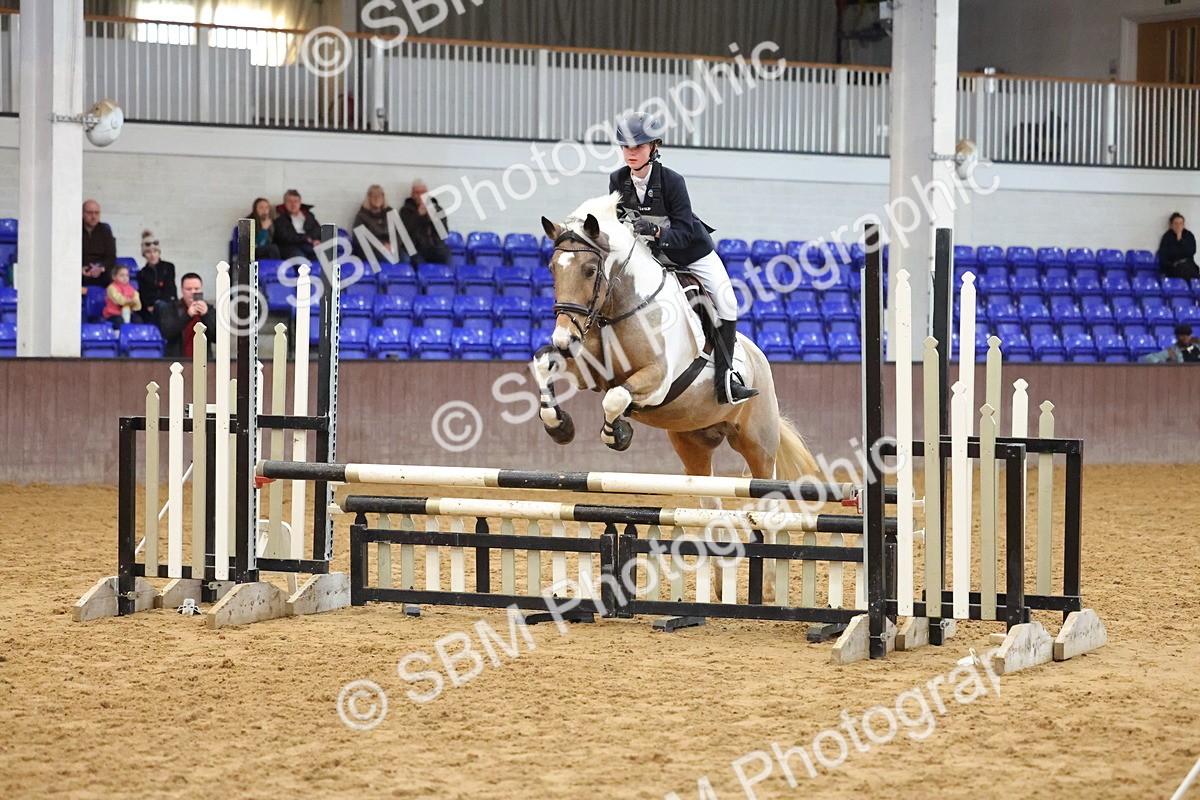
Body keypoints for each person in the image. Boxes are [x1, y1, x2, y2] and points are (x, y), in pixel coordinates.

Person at [608, 111, 757, 405]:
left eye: (637, 147)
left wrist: (654, 230)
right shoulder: (618, 180)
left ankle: (726, 378)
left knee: (728, 302)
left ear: (654, 147)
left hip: (692, 252)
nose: (631, 153)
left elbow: (685, 233)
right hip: (652, 257)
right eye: (626, 147)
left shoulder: (673, 182)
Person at [159, 272, 215, 358]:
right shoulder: (170, 308)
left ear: (201, 290)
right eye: (188, 289)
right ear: (182, 290)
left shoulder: (209, 309)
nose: (193, 292)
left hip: (203, 361)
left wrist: (205, 315)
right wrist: (188, 315)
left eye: (196, 289)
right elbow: (167, 333)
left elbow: (217, 338)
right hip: (177, 360)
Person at [399, 179, 452, 265]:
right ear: (412, 195)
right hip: (416, 247)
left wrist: (432, 218)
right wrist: (418, 215)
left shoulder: (437, 209)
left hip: (434, 246)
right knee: (419, 262)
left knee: (446, 254)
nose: (420, 195)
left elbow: (444, 232)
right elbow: (405, 231)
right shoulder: (405, 211)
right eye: (417, 193)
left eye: (423, 192)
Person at [136, 230, 177, 322]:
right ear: (144, 255)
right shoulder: (142, 273)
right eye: (148, 252)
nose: (152, 255)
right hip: (151, 308)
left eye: (155, 251)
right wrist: (150, 305)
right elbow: (143, 294)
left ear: (159, 252)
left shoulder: (168, 267)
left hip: (167, 304)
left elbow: (170, 288)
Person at [273, 190, 322, 261]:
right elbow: (284, 237)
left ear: (300, 203)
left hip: (308, 245)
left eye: (296, 201)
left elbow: (318, 230)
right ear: (285, 203)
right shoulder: (280, 219)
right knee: (299, 258)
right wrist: (306, 238)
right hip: (290, 247)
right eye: (289, 201)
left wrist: (316, 239)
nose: (293, 204)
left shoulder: (309, 216)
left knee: (322, 257)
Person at [352, 184, 397, 261]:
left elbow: (398, 233)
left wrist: (392, 245)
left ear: (383, 197)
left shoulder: (391, 212)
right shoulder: (362, 215)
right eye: (373, 196)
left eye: (379, 195)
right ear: (368, 198)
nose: (376, 198)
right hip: (371, 250)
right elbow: (359, 238)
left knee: (405, 258)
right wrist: (381, 246)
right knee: (387, 258)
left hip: (390, 247)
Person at [82, 199, 116, 288]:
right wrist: (79, 269)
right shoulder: (75, 230)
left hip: (101, 272)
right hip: (79, 273)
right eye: (90, 213)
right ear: (82, 214)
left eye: (97, 213)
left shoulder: (105, 231)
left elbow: (111, 256)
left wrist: (100, 269)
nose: (93, 216)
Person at [1159, 212, 1198, 280]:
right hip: (1173, 267)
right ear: (1171, 225)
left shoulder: (1189, 235)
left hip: (1189, 265)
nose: (1178, 226)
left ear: (1183, 225)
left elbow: (1191, 252)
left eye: (1181, 223)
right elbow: (1164, 256)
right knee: (1183, 271)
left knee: (1191, 271)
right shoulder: (1166, 237)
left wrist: (1180, 240)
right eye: (1176, 223)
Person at [102, 263, 142, 329]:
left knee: (138, 320)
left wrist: (134, 303)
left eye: (127, 275)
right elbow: (118, 299)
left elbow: (137, 305)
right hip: (113, 314)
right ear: (114, 277)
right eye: (121, 275)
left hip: (128, 314)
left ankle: (136, 337)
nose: (125, 278)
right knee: (119, 321)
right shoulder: (112, 287)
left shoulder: (132, 289)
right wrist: (129, 301)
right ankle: (118, 336)